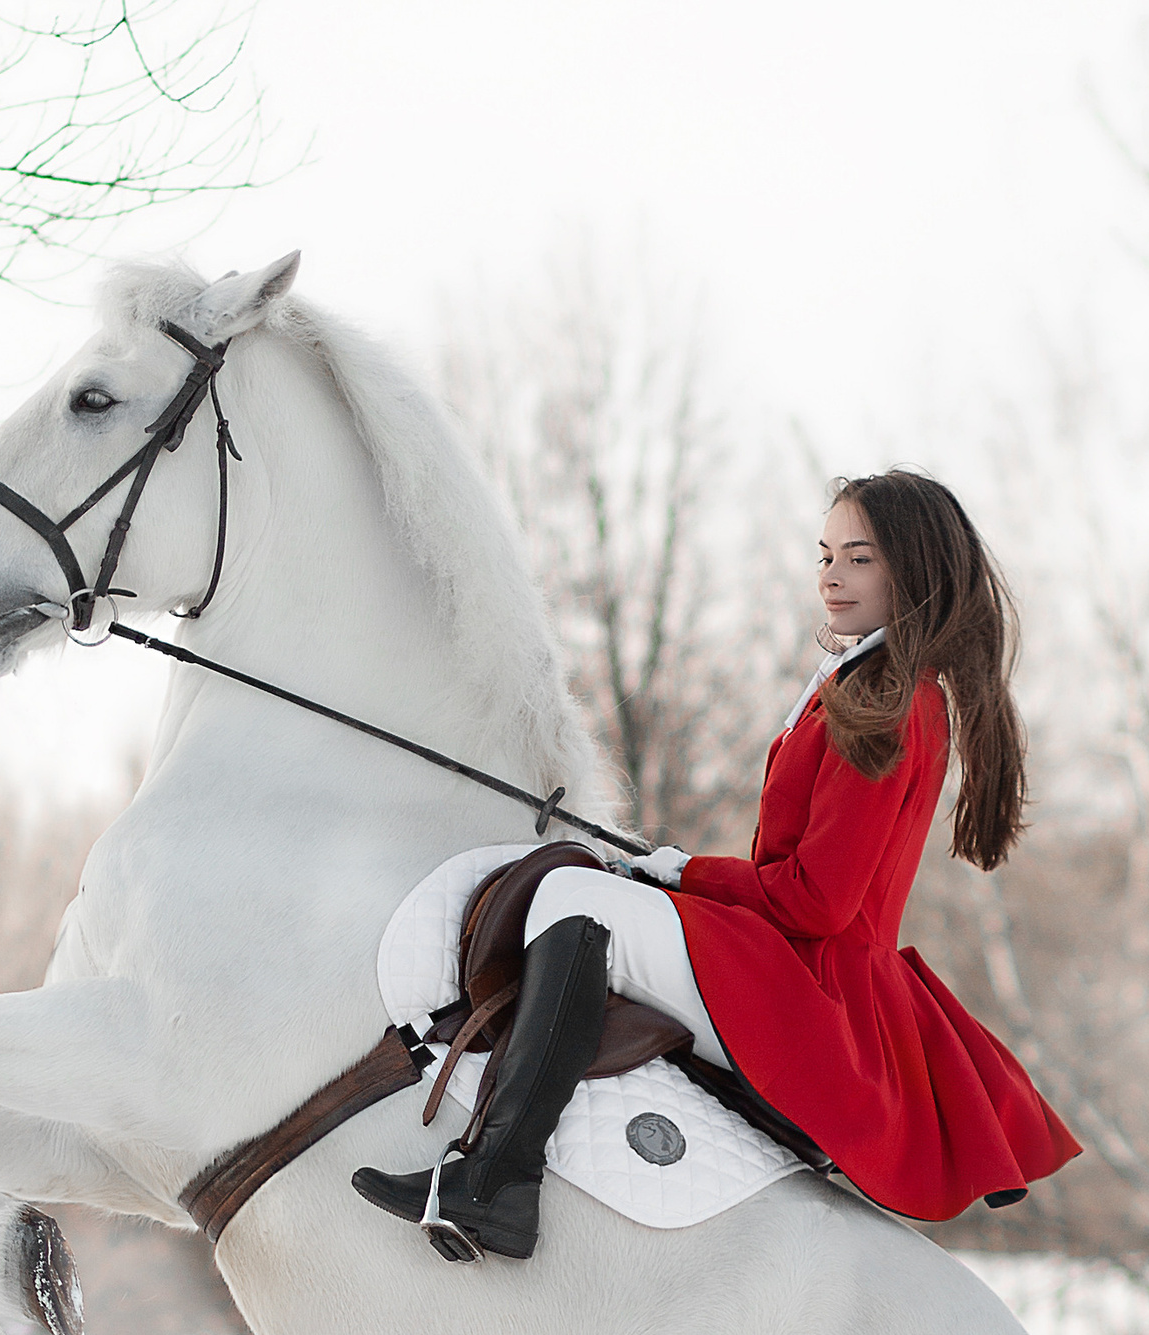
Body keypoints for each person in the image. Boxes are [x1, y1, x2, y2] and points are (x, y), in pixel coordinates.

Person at [353, 470, 1080, 1263]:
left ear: (914, 569)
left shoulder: (892, 701)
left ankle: (496, 1182)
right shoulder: (872, 687)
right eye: (825, 554)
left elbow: (818, 903)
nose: (833, 575)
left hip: (811, 997)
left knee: (571, 898)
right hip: (795, 968)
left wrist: (682, 872)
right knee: (584, 888)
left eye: (861, 558)